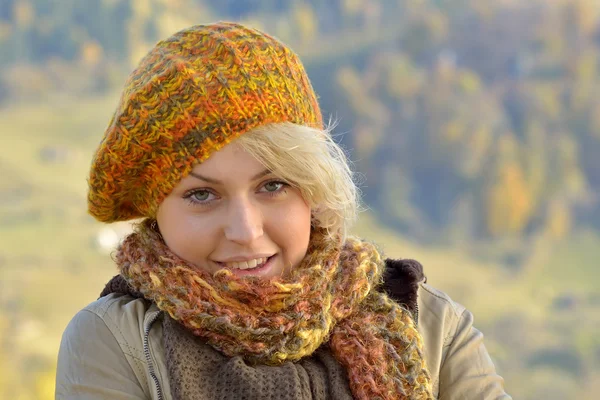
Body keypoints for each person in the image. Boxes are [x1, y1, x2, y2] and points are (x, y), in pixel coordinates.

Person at [55, 22, 511, 400]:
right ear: (157, 211)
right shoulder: (116, 342)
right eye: (201, 195)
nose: (245, 231)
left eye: (273, 186)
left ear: (313, 190)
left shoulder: (432, 328)